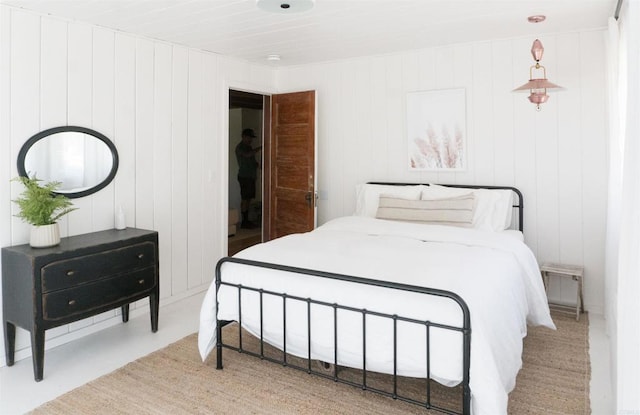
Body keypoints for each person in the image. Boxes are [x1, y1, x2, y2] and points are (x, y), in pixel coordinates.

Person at [235, 128, 262, 228]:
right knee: (245, 199)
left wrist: (259, 166)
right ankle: (244, 222)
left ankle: (247, 220)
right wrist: (261, 148)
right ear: (244, 136)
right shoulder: (240, 147)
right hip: (244, 176)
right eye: (249, 137)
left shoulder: (249, 147)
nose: (250, 139)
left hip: (251, 177)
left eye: (251, 138)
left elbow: (252, 161)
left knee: (249, 198)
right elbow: (247, 155)